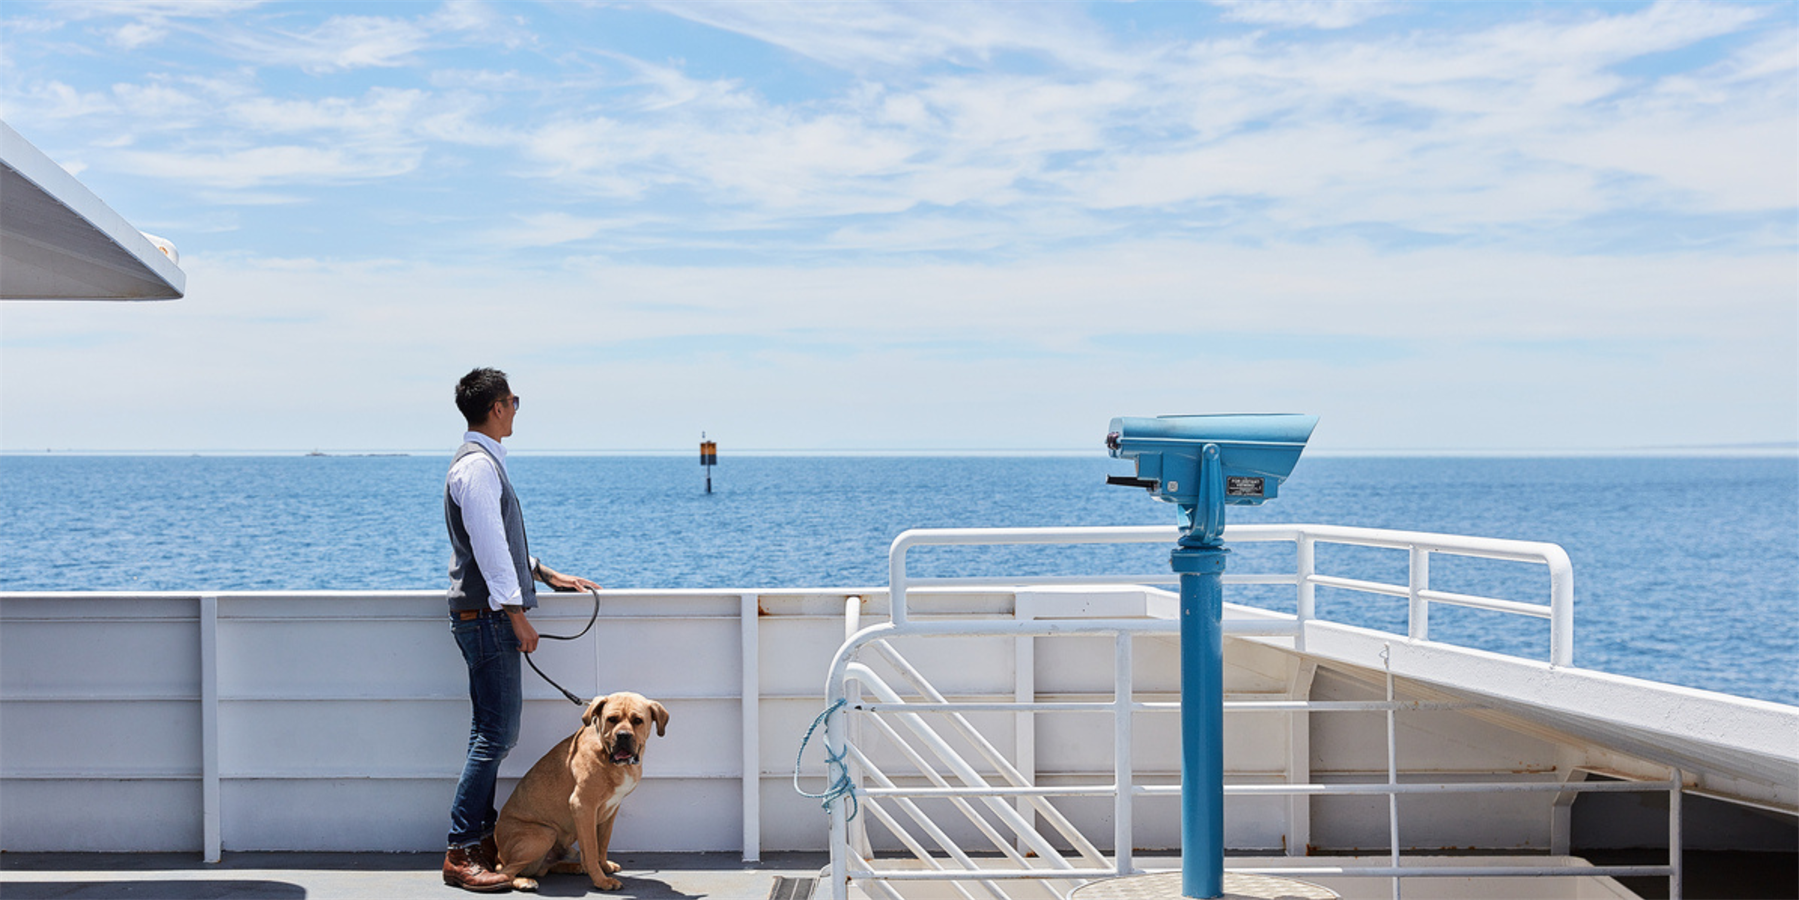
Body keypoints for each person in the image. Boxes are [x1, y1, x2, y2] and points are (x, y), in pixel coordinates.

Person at [441, 367, 600, 893]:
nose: (516, 407)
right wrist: (516, 613)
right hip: (488, 621)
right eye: (513, 399)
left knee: (488, 733)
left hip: (484, 618)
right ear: (497, 407)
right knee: (495, 737)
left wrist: (544, 572)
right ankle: (462, 850)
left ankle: (481, 841)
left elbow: (498, 542)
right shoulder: (479, 469)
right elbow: (487, 548)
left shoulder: (480, 464)